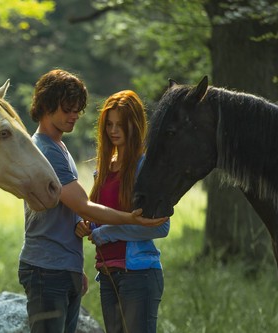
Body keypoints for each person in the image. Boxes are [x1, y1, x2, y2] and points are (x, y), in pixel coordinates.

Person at [18, 69, 168, 333]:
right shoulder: (51, 153)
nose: (74, 115)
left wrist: (88, 236)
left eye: (78, 110)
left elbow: (158, 225)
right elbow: (85, 207)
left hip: (122, 272)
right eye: (68, 109)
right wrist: (100, 224)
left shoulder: (63, 149)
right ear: (47, 106)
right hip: (63, 270)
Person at [77, 90, 170, 333]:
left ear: (135, 124)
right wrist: (86, 225)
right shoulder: (103, 170)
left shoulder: (145, 168)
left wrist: (108, 233)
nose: (113, 130)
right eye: (109, 124)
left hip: (138, 275)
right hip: (107, 275)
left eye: (121, 124)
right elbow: (99, 216)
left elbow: (161, 225)